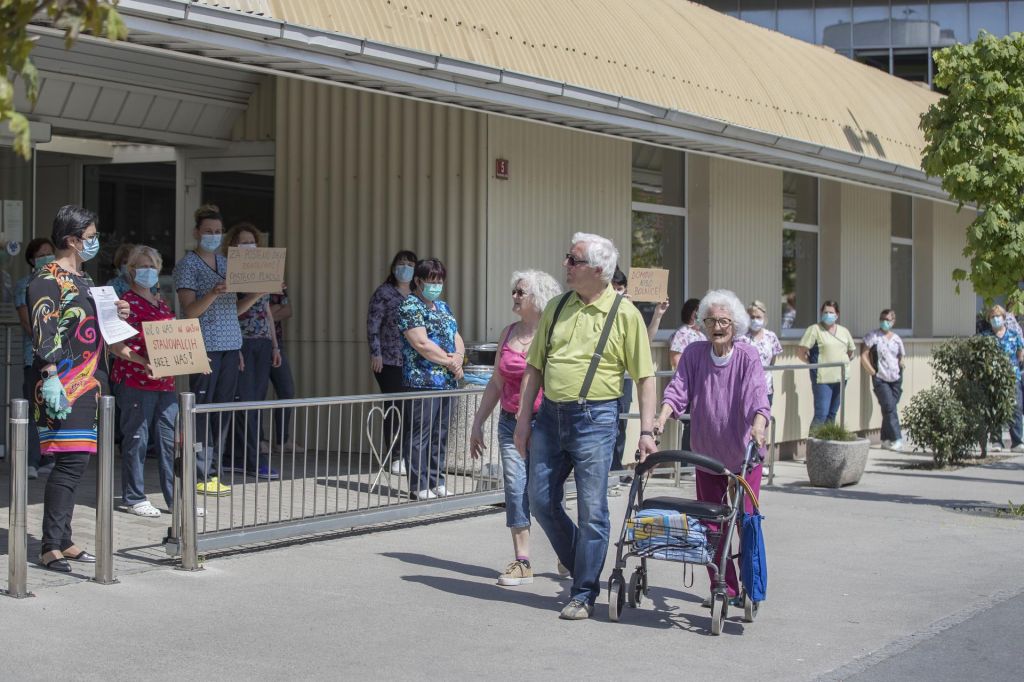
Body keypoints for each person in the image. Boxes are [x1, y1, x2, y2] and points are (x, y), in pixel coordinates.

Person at [514, 232, 657, 621]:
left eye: (573, 261)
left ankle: (583, 592)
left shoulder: (625, 314)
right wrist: (523, 420)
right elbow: (534, 367)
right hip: (550, 417)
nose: (566, 266)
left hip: (596, 419)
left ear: (598, 270)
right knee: (540, 499)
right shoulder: (558, 307)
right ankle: (586, 565)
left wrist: (646, 432)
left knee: (593, 508)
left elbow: (645, 377)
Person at [30, 205, 152, 573]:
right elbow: (43, 330)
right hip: (62, 383)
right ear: (71, 240)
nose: (95, 243)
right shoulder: (46, 278)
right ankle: (51, 544)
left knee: (77, 462)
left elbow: (104, 335)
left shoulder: (86, 282)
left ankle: (63, 539)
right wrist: (51, 375)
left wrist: (120, 319)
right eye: (91, 237)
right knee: (68, 463)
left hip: (90, 383)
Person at [655, 289, 770, 608]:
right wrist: (663, 415)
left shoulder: (747, 356)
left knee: (746, 522)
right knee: (711, 525)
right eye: (710, 320)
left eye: (723, 320)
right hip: (707, 456)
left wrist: (759, 424)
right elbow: (678, 390)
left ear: (735, 324)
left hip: (743, 456)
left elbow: (757, 396)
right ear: (702, 325)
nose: (717, 326)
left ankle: (751, 584)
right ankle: (724, 586)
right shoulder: (693, 354)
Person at [469, 269, 561, 587]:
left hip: (545, 424)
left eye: (521, 292)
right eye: (514, 291)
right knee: (515, 487)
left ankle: (565, 547)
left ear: (538, 297)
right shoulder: (508, 333)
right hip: (510, 423)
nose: (515, 297)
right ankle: (522, 561)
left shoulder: (553, 335)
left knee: (544, 495)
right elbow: (496, 382)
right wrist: (478, 422)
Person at [173, 204, 260, 498]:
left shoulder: (226, 262)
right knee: (201, 409)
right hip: (203, 345)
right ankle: (199, 471)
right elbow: (189, 311)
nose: (213, 235)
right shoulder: (188, 265)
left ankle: (215, 470)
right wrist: (212, 292)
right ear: (197, 232)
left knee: (221, 411)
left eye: (218, 232)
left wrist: (257, 294)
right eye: (208, 231)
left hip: (230, 343)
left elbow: (233, 311)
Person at [112, 246, 187, 517]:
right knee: (137, 439)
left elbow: (172, 340)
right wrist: (144, 363)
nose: (148, 271)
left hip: (164, 383)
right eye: (142, 266)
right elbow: (115, 346)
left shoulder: (161, 302)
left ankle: (175, 498)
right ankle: (134, 497)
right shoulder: (124, 303)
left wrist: (192, 358)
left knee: (169, 441)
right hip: (135, 382)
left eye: (153, 266)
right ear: (131, 270)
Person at [397, 257, 465, 500]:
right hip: (422, 381)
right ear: (418, 281)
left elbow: (456, 335)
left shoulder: (444, 307)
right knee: (420, 435)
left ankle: (437, 480)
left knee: (441, 433)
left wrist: (458, 358)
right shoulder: (410, 307)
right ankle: (418, 484)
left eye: (439, 281)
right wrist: (449, 362)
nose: (436, 286)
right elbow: (421, 343)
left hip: (447, 381)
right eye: (431, 281)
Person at [223, 223, 281, 480]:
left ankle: (242, 457)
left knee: (257, 401)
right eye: (242, 242)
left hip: (262, 342)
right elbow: (230, 312)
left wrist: (275, 344)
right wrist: (237, 348)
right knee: (246, 404)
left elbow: (267, 310)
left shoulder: (264, 270)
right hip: (242, 342)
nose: (249, 246)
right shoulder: (229, 272)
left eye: (252, 241)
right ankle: (251, 459)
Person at [611, 266, 667, 474]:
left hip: (623, 379)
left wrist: (658, 315)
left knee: (620, 426)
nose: (618, 292)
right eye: (614, 288)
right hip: (602, 381)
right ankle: (608, 472)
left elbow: (645, 341)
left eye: (621, 288)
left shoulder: (630, 313)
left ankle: (615, 469)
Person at [367, 249, 418, 474]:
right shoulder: (384, 293)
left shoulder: (418, 294)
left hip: (413, 362)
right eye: (401, 263)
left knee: (411, 410)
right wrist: (375, 353)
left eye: (409, 264)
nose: (404, 267)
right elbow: (373, 324)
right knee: (395, 408)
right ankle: (395, 456)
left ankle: (409, 455)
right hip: (389, 361)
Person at [15, 237, 55, 480]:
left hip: (58, 358)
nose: (47, 257)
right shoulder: (25, 284)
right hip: (34, 356)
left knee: (51, 409)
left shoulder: (59, 281)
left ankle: (48, 457)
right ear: (32, 259)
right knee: (33, 409)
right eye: (41, 254)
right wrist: (47, 340)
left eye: (50, 252)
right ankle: (31, 459)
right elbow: (26, 322)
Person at [797, 300, 855, 429]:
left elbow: (851, 350)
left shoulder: (843, 331)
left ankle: (827, 444)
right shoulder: (814, 329)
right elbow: (801, 350)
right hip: (822, 379)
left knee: (832, 414)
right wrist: (812, 363)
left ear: (837, 314)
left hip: (841, 377)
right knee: (821, 414)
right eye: (825, 312)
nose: (828, 314)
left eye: (831, 312)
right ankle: (814, 446)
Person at [861, 309, 907, 452]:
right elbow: (864, 354)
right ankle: (897, 438)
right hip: (880, 378)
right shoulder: (873, 336)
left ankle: (885, 440)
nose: (884, 322)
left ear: (893, 322)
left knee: (889, 409)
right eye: (882, 319)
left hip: (896, 378)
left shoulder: (897, 339)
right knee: (889, 407)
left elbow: (901, 356)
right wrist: (872, 371)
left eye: (887, 320)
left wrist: (902, 364)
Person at [981, 304, 1024, 453]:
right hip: (993, 379)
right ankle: (996, 441)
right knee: (995, 408)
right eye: (993, 317)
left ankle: (1017, 442)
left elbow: (1020, 354)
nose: (996, 319)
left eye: (998, 316)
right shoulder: (985, 337)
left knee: (1016, 408)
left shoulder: (1014, 335)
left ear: (1004, 318)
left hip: (1012, 377)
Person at [268, 283, 300, 450]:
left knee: (286, 390)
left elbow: (288, 311)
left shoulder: (280, 283)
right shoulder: (247, 282)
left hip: (276, 343)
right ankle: (257, 441)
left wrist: (271, 311)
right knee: (255, 394)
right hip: (251, 340)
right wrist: (272, 310)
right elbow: (247, 312)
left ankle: (282, 440)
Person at [738, 300, 783, 407]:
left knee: (763, 421)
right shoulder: (741, 338)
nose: (755, 320)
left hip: (766, 388)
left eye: (758, 317)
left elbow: (773, 361)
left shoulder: (771, 337)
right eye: (752, 317)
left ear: (764, 318)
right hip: (745, 389)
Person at [669, 298, 705, 370]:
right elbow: (676, 361)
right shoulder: (682, 333)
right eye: (701, 313)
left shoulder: (701, 335)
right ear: (693, 315)